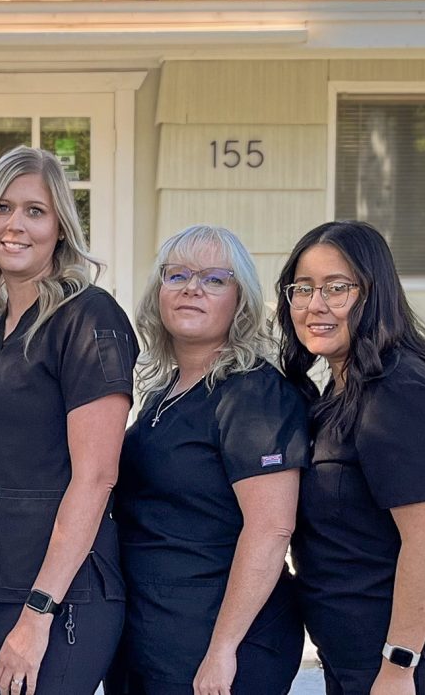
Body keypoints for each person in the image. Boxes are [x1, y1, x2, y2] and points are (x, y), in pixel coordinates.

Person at [277, 221, 425, 695]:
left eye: (337, 288)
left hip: (416, 659)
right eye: (303, 288)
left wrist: (399, 665)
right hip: (355, 649)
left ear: (374, 294)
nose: (315, 305)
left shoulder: (397, 390)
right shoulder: (341, 387)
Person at [0, 147, 138, 695]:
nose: (15, 224)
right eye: (3, 207)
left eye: (35, 210)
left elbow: (97, 477)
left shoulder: (89, 317)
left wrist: (38, 612)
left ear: (60, 227)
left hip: (61, 599)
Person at [113, 225, 309, 695]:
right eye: (177, 275)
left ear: (241, 301)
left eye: (215, 279)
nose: (192, 288)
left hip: (222, 648)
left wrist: (222, 650)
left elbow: (270, 529)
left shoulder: (253, 394)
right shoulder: (164, 391)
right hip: (154, 637)